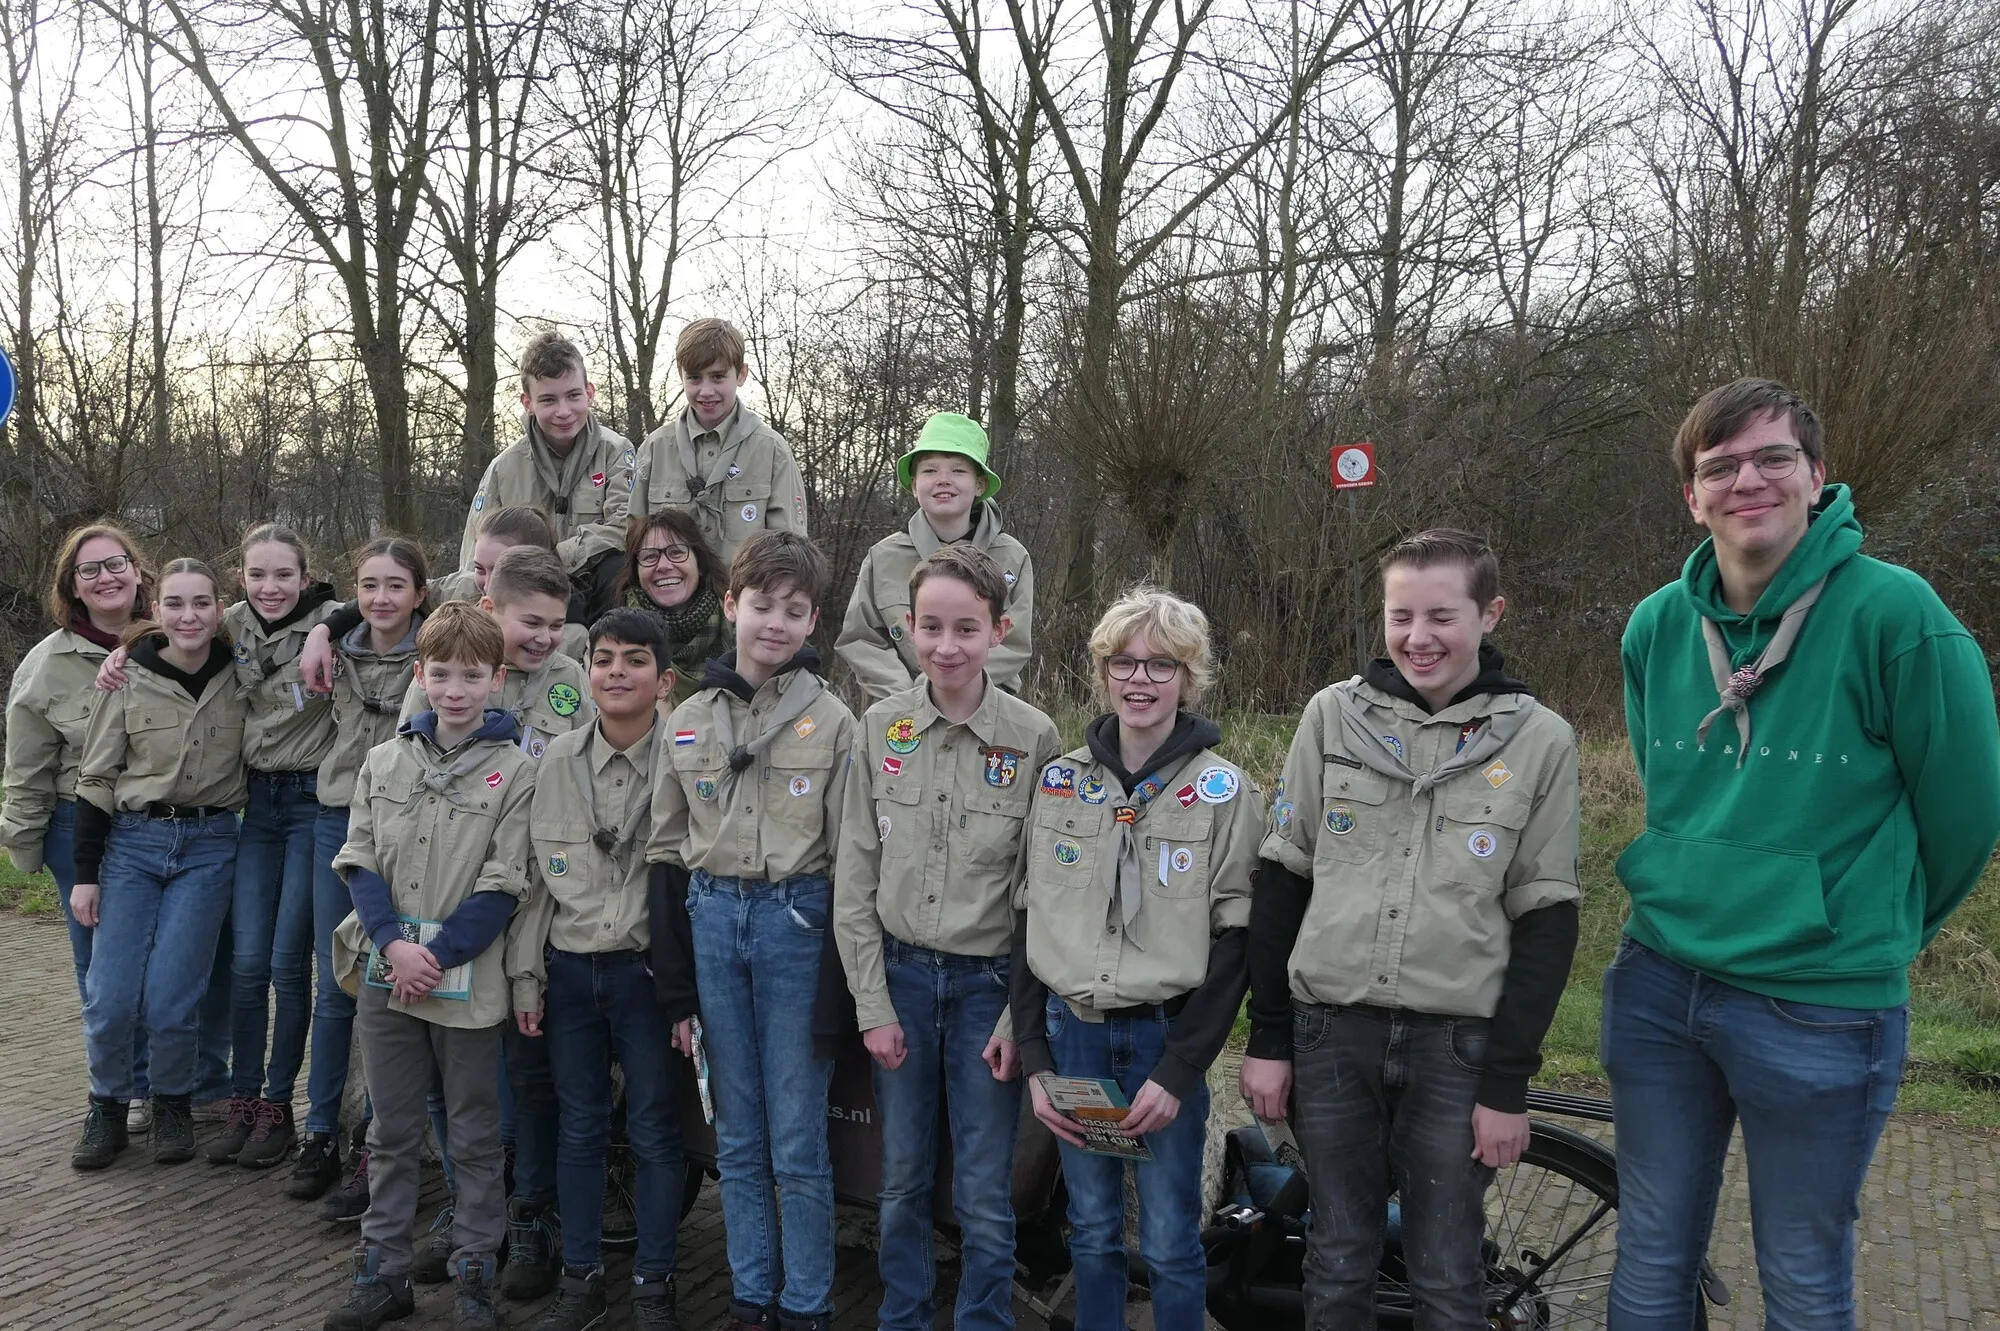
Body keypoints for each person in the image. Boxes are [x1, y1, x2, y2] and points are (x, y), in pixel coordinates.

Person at [1607, 378, 2000, 1330]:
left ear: (1818, 476)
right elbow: (1674, 794)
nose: (1749, 480)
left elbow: (1965, 815)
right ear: (1691, 496)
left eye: (1773, 458)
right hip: (1661, 981)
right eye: (1720, 466)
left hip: (1819, 1005)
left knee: (1803, 1271)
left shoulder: (1897, 616)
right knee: (1651, 1252)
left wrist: (1864, 922)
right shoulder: (1656, 624)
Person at [1240, 528, 1583, 1328]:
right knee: (1336, 1253)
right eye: (1401, 616)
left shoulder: (1541, 741)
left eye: (1442, 616)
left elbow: (1547, 919)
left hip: (1455, 1048)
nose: (1419, 638)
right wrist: (1268, 1035)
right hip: (1331, 1035)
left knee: (1446, 1271)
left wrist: (1506, 1085)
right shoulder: (1332, 717)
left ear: (1489, 613)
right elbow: (1283, 879)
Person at [1009, 587, 1259, 1331]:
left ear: (1190, 676)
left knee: (1172, 1237)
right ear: (1102, 671)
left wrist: (1179, 1069)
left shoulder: (1222, 792)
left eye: (1161, 664)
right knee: (1088, 1225)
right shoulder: (1060, 782)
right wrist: (1034, 1058)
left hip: (1161, 1037)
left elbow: (1236, 944)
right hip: (1075, 1034)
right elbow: (1028, 918)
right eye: (1124, 662)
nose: (1140, 679)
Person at [835, 545, 1061, 1331]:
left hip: (987, 991)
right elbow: (854, 880)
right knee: (900, 1178)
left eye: (967, 627)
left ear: (998, 631)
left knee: (984, 1189)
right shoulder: (879, 727)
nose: (947, 645)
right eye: (931, 626)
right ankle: (901, 1316)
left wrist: (1014, 1021)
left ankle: (982, 1321)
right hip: (898, 978)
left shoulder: (1033, 739)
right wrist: (872, 1004)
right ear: (908, 627)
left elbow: (1042, 895)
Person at [646, 530, 857, 1331]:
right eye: (761, 604)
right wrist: (675, 982)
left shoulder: (835, 722)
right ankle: (751, 1292)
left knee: (796, 1134)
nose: (775, 623)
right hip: (710, 920)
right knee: (735, 1128)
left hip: (795, 923)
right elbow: (666, 849)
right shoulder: (690, 719)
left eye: (794, 610)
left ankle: (805, 1303)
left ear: (813, 619)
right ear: (731, 605)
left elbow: (848, 864)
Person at [96, 523, 341, 1169]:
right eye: (257, 574)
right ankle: (233, 1100)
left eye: (284, 574)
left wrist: (325, 629)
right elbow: (173, 625)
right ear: (240, 580)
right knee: (245, 961)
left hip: (307, 802)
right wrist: (125, 649)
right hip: (249, 807)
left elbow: (389, 607)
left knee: (288, 964)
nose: (270, 585)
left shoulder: (334, 617)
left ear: (306, 576)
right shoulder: (229, 622)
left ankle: (278, 1107)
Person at [323, 602, 537, 1331]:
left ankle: (474, 1268)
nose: (455, 688)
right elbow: (359, 859)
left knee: (474, 1133)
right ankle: (382, 1270)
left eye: (471, 675)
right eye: (440, 672)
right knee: (390, 1130)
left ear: (496, 679)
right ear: (421, 674)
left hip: (466, 983)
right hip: (388, 975)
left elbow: (506, 883)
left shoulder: (517, 772)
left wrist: (438, 954)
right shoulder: (383, 762)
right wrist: (392, 944)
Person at [389, 543, 593, 1298]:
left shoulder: (574, 681)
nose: (543, 637)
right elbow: (406, 774)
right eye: (528, 621)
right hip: (450, 898)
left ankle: (530, 1212)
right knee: (455, 1075)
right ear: (490, 609)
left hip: (535, 894)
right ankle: (471, 1208)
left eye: (556, 624)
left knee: (526, 1068)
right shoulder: (447, 676)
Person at [509, 608, 696, 1331]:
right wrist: (528, 976)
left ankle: (655, 1281)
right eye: (604, 658)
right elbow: (531, 884)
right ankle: (581, 1276)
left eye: (635, 660)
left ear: (664, 678)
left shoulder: (684, 759)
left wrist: (689, 995)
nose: (617, 671)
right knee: (580, 1127)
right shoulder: (555, 760)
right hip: (571, 971)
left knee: (653, 1128)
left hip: (647, 979)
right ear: (587, 673)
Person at [67, 557, 248, 1170]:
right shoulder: (128, 678)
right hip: (133, 847)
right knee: (111, 993)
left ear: (219, 610)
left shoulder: (243, 673)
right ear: (157, 611)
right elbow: (94, 780)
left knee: (174, 995)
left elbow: (307, 616)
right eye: (175, 604)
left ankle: (172, 1100)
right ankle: (108, 1106)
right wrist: (85, 875)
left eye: (201, 603)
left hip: (209, 846)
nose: (189, 616)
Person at [5, 524, 162, 1134]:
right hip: (78, 828)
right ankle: (120, 1090)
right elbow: (25, 769)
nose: (106, 578)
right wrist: (26, 846)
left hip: (155, 825)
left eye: (115, 564)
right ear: (71, 588)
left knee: (161, 962)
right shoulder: (47, 665)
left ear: (138, 571)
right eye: (89, 571)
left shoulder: (178, 638)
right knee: (101, 967)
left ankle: (174, 1081)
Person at [292, 536, 431, 1206]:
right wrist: (326, 624)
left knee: (385, 981)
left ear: (420, 594)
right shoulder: (337, 647)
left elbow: (482, 581)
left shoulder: (439, 650)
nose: (381, 599)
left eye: (396, 586)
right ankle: (320, 1128)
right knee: (333, 983)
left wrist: (329, 618)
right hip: (336, 817)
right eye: (368, 585)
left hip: (404, 828)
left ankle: (373, 1143)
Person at [835, 412, 1034, 703]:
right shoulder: (882, 558)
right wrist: (910, 694)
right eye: (930, 471)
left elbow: (1014, 643)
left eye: (958, 471)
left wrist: (951, 686)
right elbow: (861, 639)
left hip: (988, 706)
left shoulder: (1013, 557)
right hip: (902, 711)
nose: (943, 480)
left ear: (979, 485)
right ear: (914, 485)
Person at [304, 506, 588, 687]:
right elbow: (394, 591)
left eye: (500, 568)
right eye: (479, 568)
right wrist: (323, 630)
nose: (488, 583)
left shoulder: (568, 633)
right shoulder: (460, 591)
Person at [630, 318, 808, 571]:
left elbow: (790, 550)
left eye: (717, 377)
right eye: (694, 378)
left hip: (744, 602)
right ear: (680, 375)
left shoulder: (771, 451)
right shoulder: (655, 449)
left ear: (741, 374)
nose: (705, 391)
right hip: (670, 601)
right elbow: (635, 538)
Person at [459, 330, 634, 577]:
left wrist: (552, 560)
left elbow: (624, 527)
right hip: (523, 592)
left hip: (594, 586)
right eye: (548, 400)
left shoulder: (615, 452)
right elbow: (474, 559)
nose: (563, 411)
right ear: (528, 403)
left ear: (590, 393)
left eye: (573, 395)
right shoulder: (504, 469)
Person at [615, 508, 731, 704]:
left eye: (676, 552)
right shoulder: (612, 636)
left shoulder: (737, 627)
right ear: (636, 571)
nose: (663, 566)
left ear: (700, 564)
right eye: (650, 556)